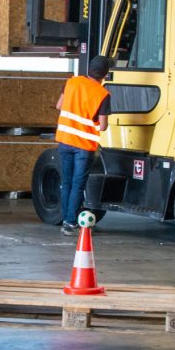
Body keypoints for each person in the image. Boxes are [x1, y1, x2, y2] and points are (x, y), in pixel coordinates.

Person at [54, 55, 112, 236]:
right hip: (84, 146)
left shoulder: (72, 82)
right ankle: (70, 223)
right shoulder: (102, 94)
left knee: (66, 181)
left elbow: (59, 105)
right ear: (105, 75)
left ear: (89, 69)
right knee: (78, 184)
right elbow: (102, 126)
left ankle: (67, 220)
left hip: (65, 140)